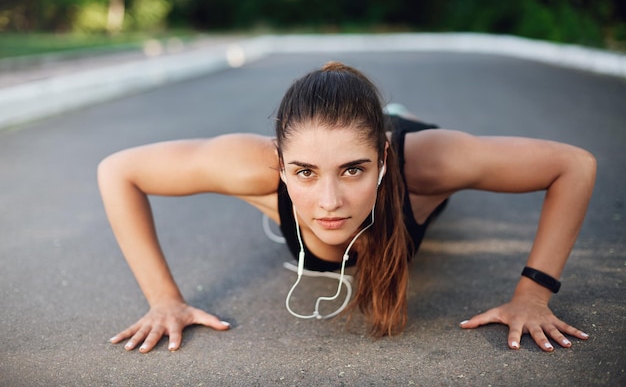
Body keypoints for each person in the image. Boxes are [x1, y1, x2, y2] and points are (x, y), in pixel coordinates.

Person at [98, 61, 595, 354]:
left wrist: (534, 295)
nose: (329, 202)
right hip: (353, 139)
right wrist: (163, 300)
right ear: (280, 163)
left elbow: (573, 165)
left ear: (380, 160)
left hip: (407, 137)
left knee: (405, 122)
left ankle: (394, 120)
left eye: (353, 170)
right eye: (305, 173)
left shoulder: (428, 162)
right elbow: (118, 169)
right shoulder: (253, 164)